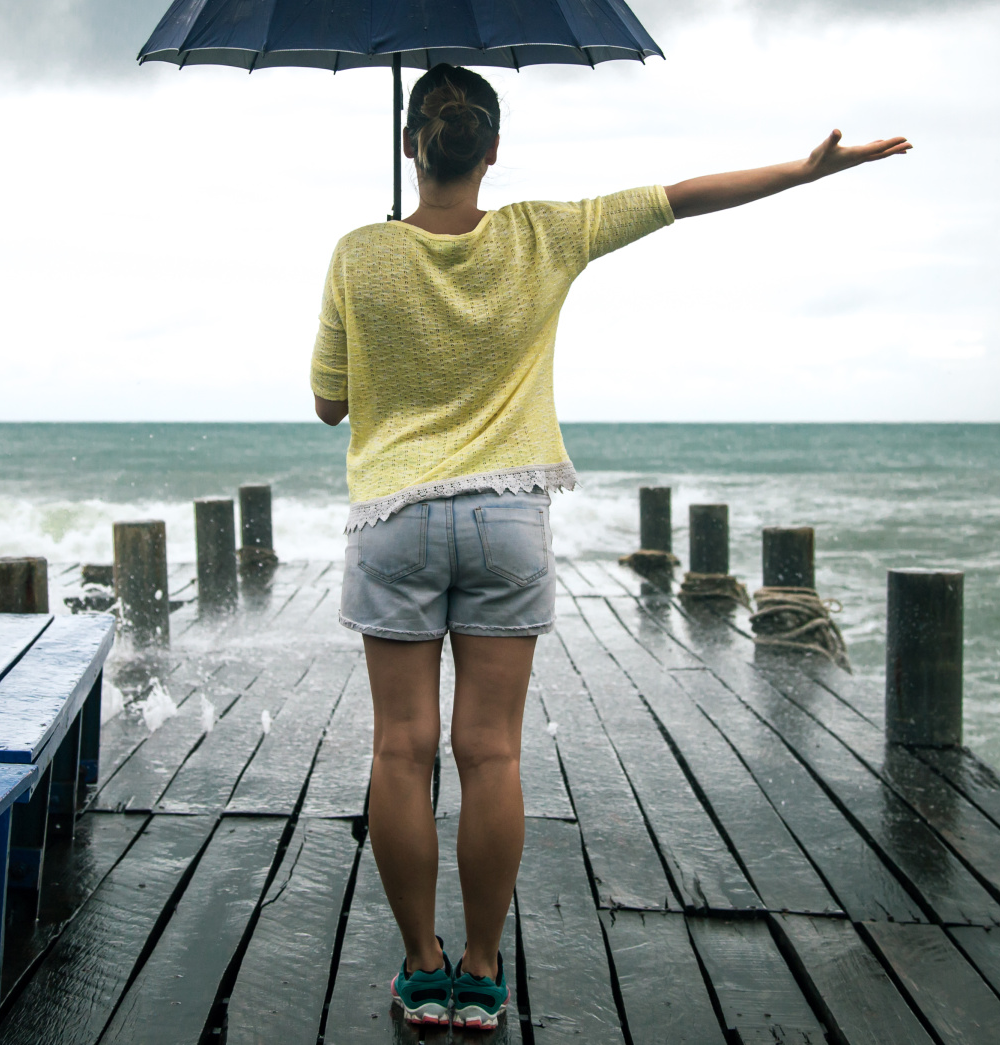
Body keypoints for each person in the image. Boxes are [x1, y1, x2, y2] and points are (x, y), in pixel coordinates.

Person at [309, 63, 909, 1029]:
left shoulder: (357, 253)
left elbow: (330, 402)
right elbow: (679, 200)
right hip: (507, 519)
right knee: (489, 752)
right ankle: (479, 966)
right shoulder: (545, 230)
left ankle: (421, 966)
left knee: (400, 748)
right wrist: (804, 171)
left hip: (395, 520)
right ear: (492, 149)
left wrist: (392, 289)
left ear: (410, 145)